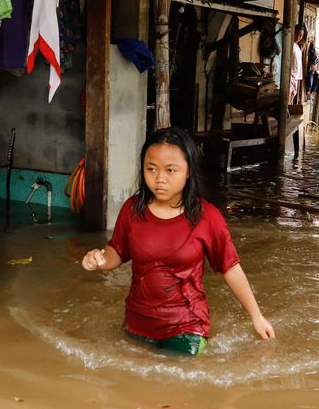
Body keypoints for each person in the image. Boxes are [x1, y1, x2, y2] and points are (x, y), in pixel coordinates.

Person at [81, 127, 275, 354]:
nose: (159, 179)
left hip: (187, 326)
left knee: (178, 385)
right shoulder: (132, 210)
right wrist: (99, 260)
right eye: (151, 169)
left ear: (189, 171)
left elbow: (230, 268)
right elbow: (117, 251)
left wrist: (257, 317)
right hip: (137, 322)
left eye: (170, 170)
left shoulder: (208, 217)